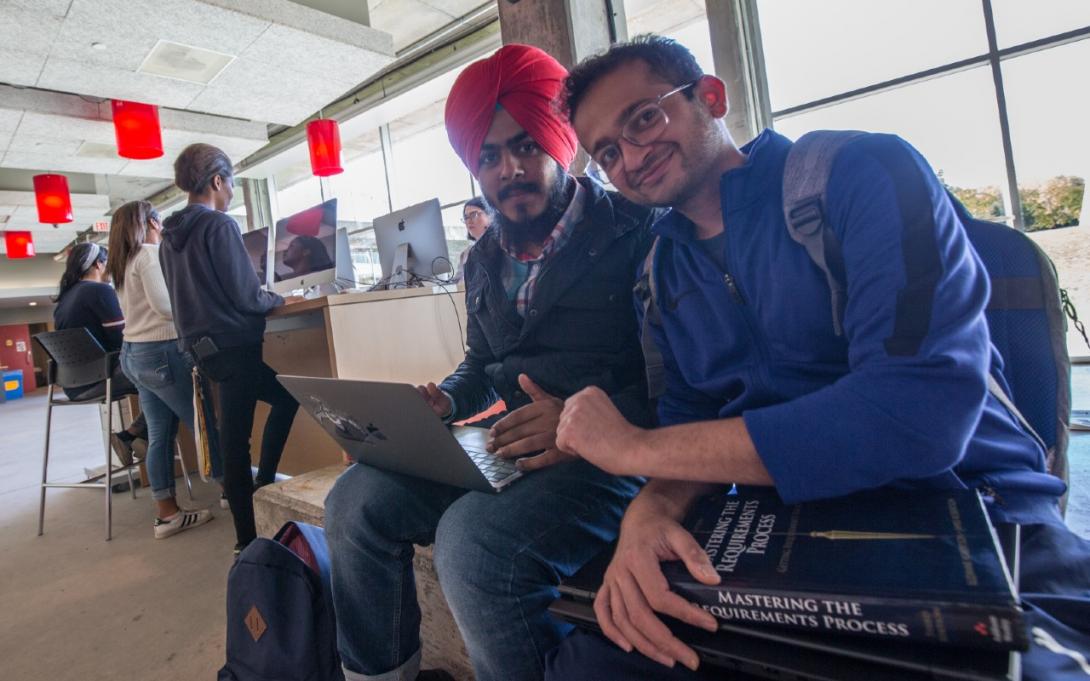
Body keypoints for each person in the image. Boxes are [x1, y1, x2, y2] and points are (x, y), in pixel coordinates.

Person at [544, 35, 1090, 680]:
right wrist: (651, 508)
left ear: (711, 98)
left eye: (644, 117)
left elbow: (915, 417)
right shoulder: (660, 275)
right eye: (607, 151)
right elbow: (686, 427)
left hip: (970, 513)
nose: (630, 156)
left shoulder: (861, 172)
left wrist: (631, 450)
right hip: (791, 530)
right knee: (593, 660)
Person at [323, 44, 659, 681]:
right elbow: (482, 364)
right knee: (353, 503)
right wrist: (446, 402)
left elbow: (680, 385)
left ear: (561, 143)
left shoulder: (637, 230)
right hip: (506, 443)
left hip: (609, 456)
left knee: (473, 545)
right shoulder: (482, 260)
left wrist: (586, 422)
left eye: (527, 145)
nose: (511, 170)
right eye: (490, 155)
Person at [159, 143, 300, 554]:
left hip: (204, 353)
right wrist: (278, 299)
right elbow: (244, 295)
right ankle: (249, 531)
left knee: (233, 441)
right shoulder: (219, 226)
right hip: (236, 348)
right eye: (232, 183)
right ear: (217, 181)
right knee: (275, 411)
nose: (233, 192)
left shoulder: (169, 237)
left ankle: (254, 509)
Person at [106, 200, 223, 538]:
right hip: (160, 351)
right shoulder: (147, 253)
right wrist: (205, 305)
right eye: (158, 219)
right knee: (204, 427)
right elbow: (164, 307)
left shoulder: (122, 262)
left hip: (134, 354)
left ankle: (167, 514)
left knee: (159, 435)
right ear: (152, 223)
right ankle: (236, 493)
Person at [52, 241, 148, 464]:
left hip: (73, 385)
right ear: (99, 264)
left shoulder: (64, 300)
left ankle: (134, 437)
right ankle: (137, 436)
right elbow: (122, 339)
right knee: (166, 372)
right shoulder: (99, 290)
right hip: (101, 378)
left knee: (156, 378)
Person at [451, 197, 493, 282]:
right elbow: (457, 283)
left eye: (474, 215)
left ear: (490, 215)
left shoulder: (502, 246)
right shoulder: (467, 253)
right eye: (466, 217)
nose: (469, 221)